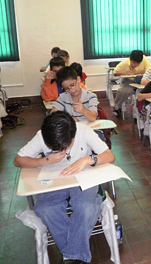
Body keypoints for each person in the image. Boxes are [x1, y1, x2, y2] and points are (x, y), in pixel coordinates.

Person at [13, 111, 115, 263]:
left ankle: (70, 256)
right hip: (54, 178)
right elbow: (18, 160)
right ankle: (77, 252)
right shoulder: (42, 135)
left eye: (66, 146)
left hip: (82, 177)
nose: (63, 151)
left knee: (85, 206)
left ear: (73, 134)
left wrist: (87, 160)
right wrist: (45, 160)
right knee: (46, 209)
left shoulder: (84, 131)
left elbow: (110, 156)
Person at [112, 50, 151, 117]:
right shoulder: (125, 62)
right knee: (124, 91)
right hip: (129, 80)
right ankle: (117, 106)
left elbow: (149, 71)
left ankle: (140, 111)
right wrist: (124, 72)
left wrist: (136, 72)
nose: (134, 65)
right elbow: (115, 72)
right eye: (133, 62)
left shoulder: (144, 60)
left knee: (146, 91)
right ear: (130, 59)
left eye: (137, 63)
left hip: (141, 81)